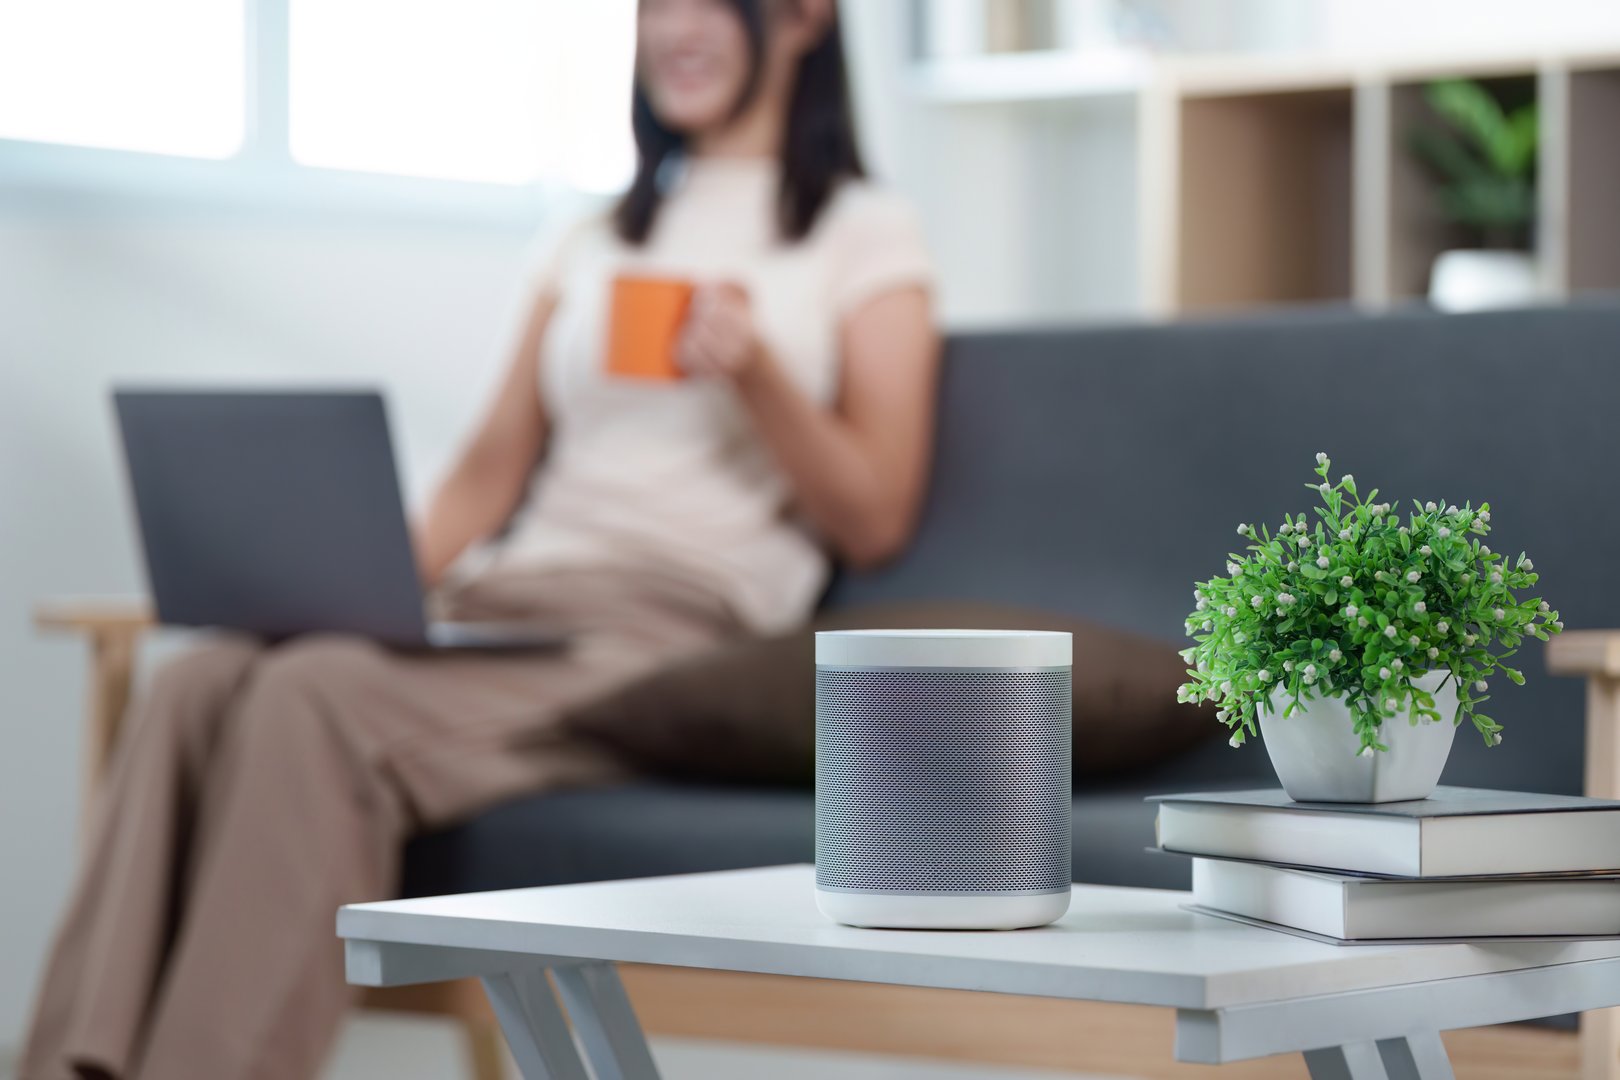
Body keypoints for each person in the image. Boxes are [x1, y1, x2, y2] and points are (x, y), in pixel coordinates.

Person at [20, 0, 938, 1077]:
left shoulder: (861, 232)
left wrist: (758, 373)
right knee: (203, 679)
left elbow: (876, 516)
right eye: (652, 6)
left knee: (313, 698)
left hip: (667, 628)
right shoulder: (595, 235)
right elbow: (490, 471)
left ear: (799, 16)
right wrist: (340, 588)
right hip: (508, 603)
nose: (670, 28)